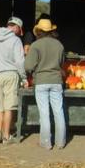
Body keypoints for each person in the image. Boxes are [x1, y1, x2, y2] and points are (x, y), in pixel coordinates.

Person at [24, 18, 66, 149]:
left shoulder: (36, 45)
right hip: (56, 81)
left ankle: (46, 143)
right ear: (52, 30)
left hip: (41, 81)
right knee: (58, 111)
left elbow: (28, 66)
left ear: (39, 31)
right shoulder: (59, 45)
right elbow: (61, 63)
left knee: (44, 113)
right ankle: (61, 142)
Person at [0, 17, 26, 144]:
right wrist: (23, 77)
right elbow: (20, 61)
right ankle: (6, 137)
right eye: (19, 30)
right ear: (16, 27)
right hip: (11, 74)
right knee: (9, 106)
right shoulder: (16, 40)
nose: (19, 32)